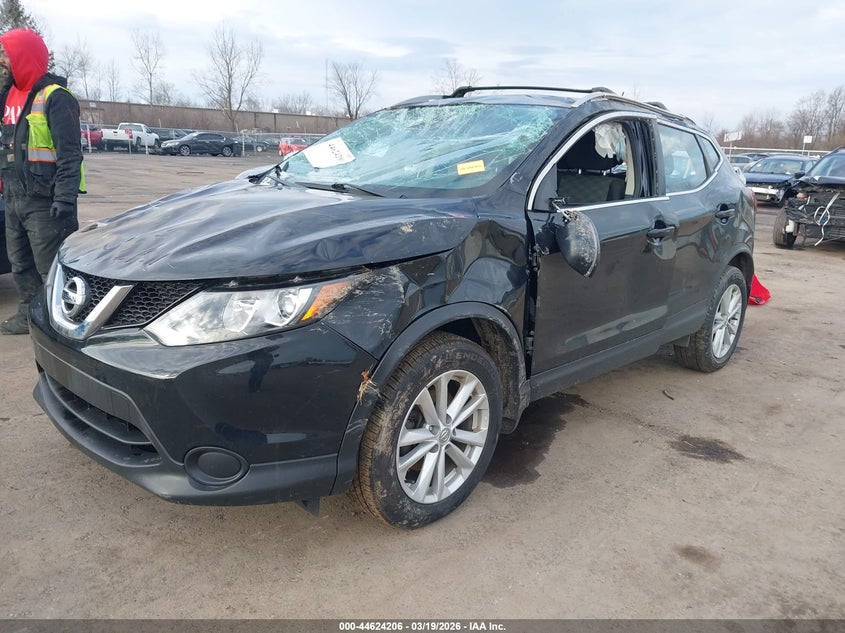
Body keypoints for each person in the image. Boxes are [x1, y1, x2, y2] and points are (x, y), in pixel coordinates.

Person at [0, 28, 84, 335]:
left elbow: (70, 154)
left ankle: (60, 323)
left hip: (45, 200)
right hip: (13, 196)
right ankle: (29, 314)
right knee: (20, 262)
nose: (2, 61)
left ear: (22, 56)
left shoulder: (56, 98)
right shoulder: (7, 96)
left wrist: (64, 198)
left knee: (51, 267)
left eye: (6, 54)